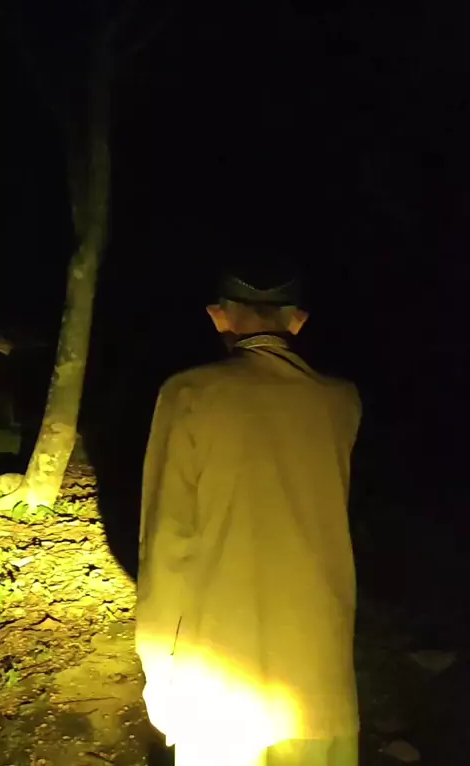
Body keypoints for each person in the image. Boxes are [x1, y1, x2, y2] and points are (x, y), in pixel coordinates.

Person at [136, 254, 362, 766]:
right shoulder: (341, 402)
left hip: (219, 676)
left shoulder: (189, 394)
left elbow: (167, 541)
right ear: (297, 321)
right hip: (318, 672)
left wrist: (158, 665)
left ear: (219, 316)